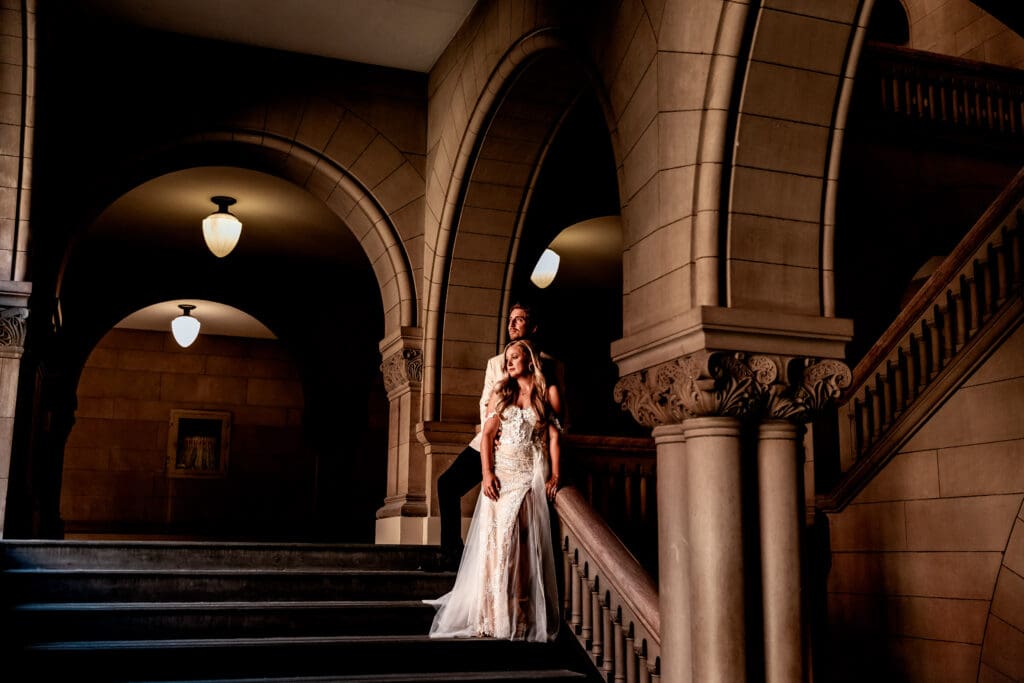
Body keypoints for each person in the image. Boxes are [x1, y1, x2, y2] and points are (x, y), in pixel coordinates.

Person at [426, 339, 562, 641]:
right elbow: (487, 436)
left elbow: (553, 436)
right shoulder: (501, 393)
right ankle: (493, 613)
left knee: (521, 547)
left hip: (527, 476)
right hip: (502, 475)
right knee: (497, 545)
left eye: (515, 357)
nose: (509, 362)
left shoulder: (541, 394)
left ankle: (518, 615)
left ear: (528, 360)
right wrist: (487, 474)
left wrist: (555, 475)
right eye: (507, 358)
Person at [436, 303, 565, 568]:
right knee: (447, 484)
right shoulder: (495, 363)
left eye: (520, 319)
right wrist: (492, 432)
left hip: (527, 452)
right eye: (510, 320)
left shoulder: (552, 365)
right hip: (493, 441)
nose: (513, 324)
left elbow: (559, 420)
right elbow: (486, 404)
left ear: (534, 326)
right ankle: (452, 553)